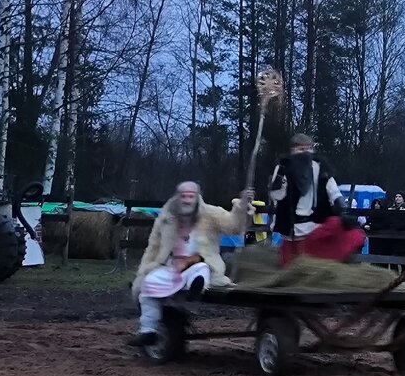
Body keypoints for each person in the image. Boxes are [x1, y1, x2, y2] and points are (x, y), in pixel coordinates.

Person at [129, 181, 253, 346]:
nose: (187, 200)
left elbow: (234, 226)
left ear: (196, 196)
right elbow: (154, 247)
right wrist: (144, 271)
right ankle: (148, 330)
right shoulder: (167, 218)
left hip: (201, 263)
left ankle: (197, 286)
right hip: (173, 267)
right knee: (148, 286)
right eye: (184, 196)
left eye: (191, 196)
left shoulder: (210, 213)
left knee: (201, 269)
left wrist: (242, 206)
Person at [269, 133, 364, 265]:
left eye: (308, 148)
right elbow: (276, 195)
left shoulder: (320, 168)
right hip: (290, 228)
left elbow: (333, 191)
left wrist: (342, 211)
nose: (305, 152)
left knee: (310, 266)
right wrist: (280, 175)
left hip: (313, 227)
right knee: (288, 268)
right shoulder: (283, 168)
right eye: (301, 149)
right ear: (293, 150)